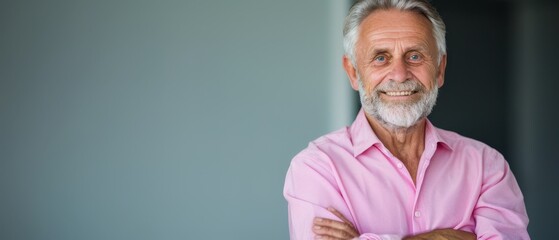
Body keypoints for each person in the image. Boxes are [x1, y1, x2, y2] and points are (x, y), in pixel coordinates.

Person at [283, 0, 530, 239]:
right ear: (353, 72)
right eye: (381, 57)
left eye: (414, 56)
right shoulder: (317, 168)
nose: (400, 75)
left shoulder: (487, 167)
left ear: (440, 69)